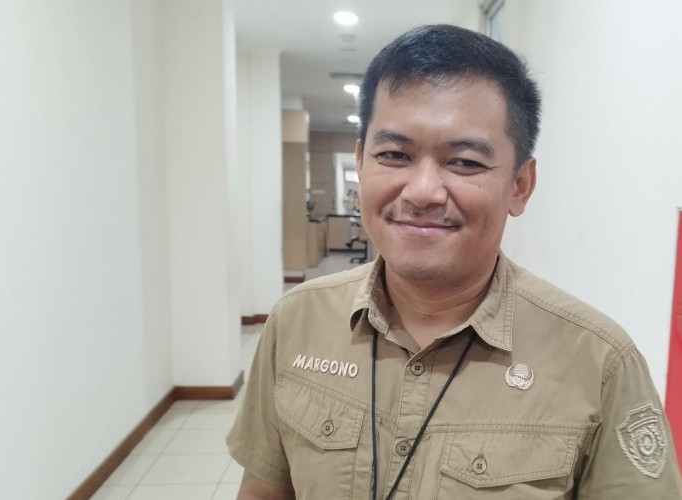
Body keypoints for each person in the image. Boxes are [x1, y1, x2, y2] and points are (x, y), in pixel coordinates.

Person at [226, 24, 682, 499]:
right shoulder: (296, 320)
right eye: (394, 154)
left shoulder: (599, 362)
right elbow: (262, 491)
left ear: (520, 185)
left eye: (465, 162)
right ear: (361, 163)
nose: (422, 192)